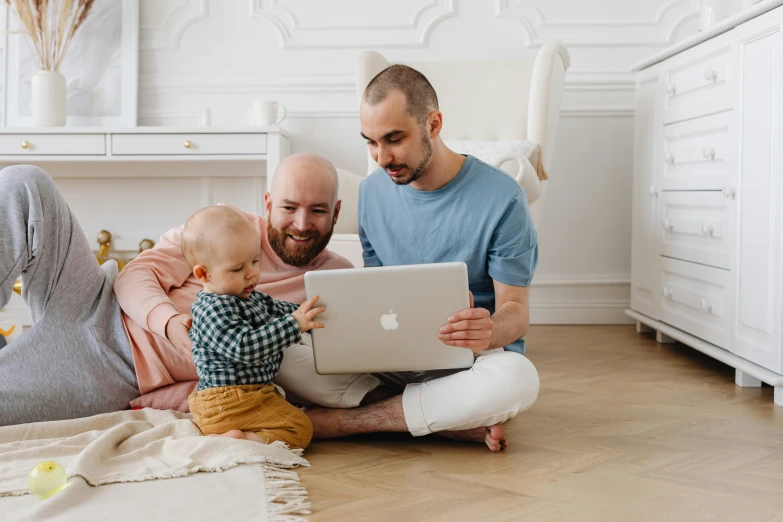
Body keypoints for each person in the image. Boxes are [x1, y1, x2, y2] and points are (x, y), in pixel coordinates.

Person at [0, 153, 366, 426]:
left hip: (113, 370)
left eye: (317, 211)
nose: (301, 225)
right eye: (289, 207)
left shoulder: (338, 278)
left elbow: (244, 374)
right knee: (26, 182)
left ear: (335, 213)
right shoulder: (225, 224)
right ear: (269, 204)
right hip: (94, 296)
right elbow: (137, 274)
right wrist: (169, 322)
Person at [302, 64, 541, 452]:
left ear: (434, 124)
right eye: (371, 142)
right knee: (287, 355)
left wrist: (489, 330)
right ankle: (440, 420)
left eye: (394, 139)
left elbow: (515, 309)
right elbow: (377, 294)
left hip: (470, 361)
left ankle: (347, 423)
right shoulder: (373, 193)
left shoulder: (504, 199)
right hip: (391, 360)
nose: (381, 157)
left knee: (519, 379)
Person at [183, 206, 324, 449]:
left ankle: (242, 434)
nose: (252, 274)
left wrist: (307, 313)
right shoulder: (211, 310)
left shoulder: (248, 297)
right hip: (225, 402)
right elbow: (244, 347)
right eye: (238, 269)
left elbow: (280, 309)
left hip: (248, 395)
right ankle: (238, 440)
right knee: (300, 430)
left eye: (255, 261)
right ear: (204, 274)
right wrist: (293, 325)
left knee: (293, 417)